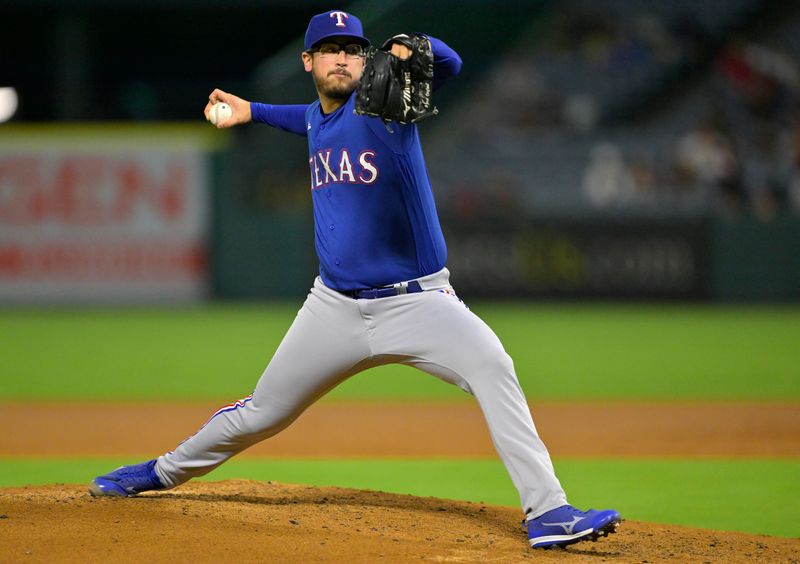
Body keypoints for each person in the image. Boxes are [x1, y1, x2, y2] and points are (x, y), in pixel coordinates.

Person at [89, 9, 621, 549]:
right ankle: (163, 471)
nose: (342, 56)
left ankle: (548, 512)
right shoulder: (317, 120)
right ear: (308, 61)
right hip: (334, 308)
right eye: (329, 48)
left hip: (419, 303)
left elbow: (451, 64)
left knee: (493, 366)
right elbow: (298, 117)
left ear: (367, 61)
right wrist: (248, 110)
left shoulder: (386, 111)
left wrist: (413, 48)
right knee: (261, 414)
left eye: (352, 48)